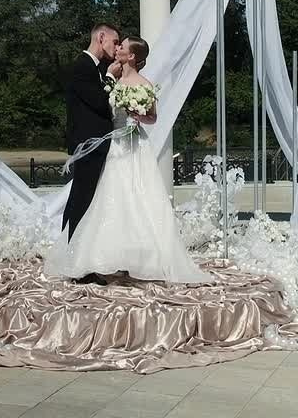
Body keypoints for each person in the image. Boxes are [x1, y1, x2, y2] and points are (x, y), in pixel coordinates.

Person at [47, 36, 212, 284]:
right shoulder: (111, 80)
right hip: (114, 144)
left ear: (132, 56)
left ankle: (141, 259)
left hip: (135, 144)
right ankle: (104, 257)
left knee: (138, 196)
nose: (117, 49)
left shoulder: (144, 84)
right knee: (110, 198)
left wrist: (138, 114)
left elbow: (153, 117)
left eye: (122, 47)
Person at [61, 23, 121, 241]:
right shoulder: (83, 66)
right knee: (82, 199)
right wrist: (111, 77)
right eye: (115, 42)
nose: (117, 47)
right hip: (88, 143)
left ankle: (72, 248)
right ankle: (72, 248)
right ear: (101, 37)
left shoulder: (96, 67)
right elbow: (98, 102)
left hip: (96, 143)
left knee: (83, 197)